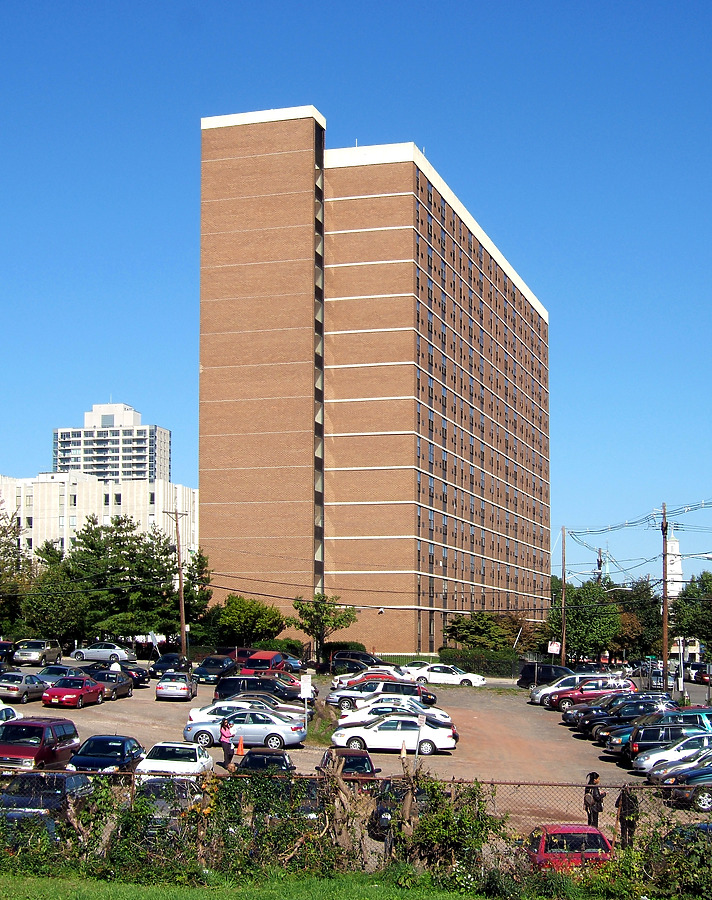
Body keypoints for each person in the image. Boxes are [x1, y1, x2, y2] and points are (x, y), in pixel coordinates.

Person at [615, 783, 639, 849]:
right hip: (630, 816)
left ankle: (624, 845)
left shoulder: (622, 796)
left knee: (624, 831)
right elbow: (636, 807)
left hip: (624, 816)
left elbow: (616, 804)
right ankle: (629, 845)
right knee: (630, 832)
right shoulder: (633, 797)